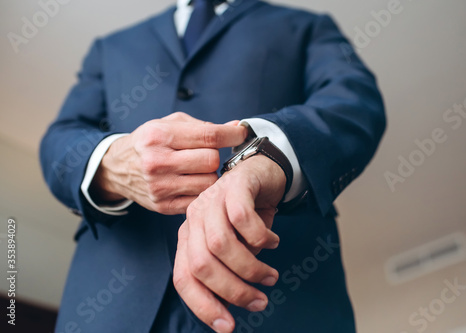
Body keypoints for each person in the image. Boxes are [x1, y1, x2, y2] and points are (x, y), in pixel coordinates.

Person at [40, 0, 386, 332]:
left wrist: (267, 160)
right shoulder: (109, 47)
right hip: (112, 303)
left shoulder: (309, 26)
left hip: (279, 296)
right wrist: (112, 162)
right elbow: (61, 136)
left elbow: (354, 103)